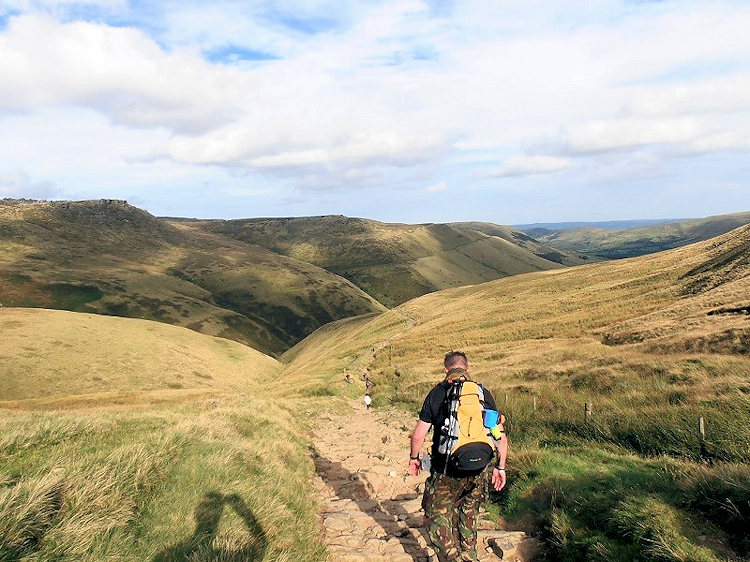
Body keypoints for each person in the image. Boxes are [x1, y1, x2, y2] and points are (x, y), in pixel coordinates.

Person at [407, 351, 508, 562]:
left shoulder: (437, 394)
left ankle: (451, 558)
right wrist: (500, 467)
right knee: (469, 510)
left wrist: (414, 458)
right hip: (479, 470)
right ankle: (469, 555)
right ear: (467, 368)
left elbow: (418, 435)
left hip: (447, 472)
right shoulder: (482, 394)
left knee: (436, 514)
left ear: (446, 369)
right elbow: (499, 435)